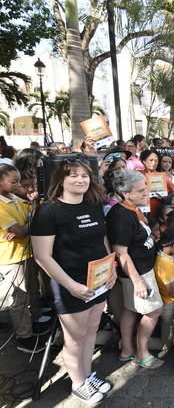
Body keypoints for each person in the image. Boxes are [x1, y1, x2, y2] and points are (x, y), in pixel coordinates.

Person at [31, 159, 115, 404]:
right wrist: (71, 285)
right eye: (73, 176)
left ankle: (87, 375)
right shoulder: (48, 211)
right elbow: (42, 256)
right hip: (71, 285)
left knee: (91, 331)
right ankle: (78, 383)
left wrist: (109, 270)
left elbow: (102, 240)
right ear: (61, 180)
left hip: (97, 281)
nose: (80, 180)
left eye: (84, 176)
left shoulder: (93, 205)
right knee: (74, 338)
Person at [106, 170, 164, 369]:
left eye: (145, 188)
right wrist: (138, 280)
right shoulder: (121, 216)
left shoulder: (132, 208)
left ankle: (127, 351)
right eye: (140, 190)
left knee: (130, 310)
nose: (146, 192)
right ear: (126, 193)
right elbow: (121, 253)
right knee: (154, 311)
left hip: (139, 269)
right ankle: (142, 354)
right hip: (138, 273)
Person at [0, 165, 41, 353]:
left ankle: (33, 324)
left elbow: (32, 218)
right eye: (13, 182)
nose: (18, 185)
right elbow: (22, 230)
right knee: (19, 298)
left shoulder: (15, 198)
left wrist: (29, 219)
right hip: (11, 258)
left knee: (32, 291)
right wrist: (28, 222)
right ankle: (24, 337)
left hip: (26, 252)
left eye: (18, 181)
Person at [153, 226, 174, 352]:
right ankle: (131, 343)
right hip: (169, 305)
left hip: (169, 302)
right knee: (166, 344)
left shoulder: (165, 257)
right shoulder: (164, 264)